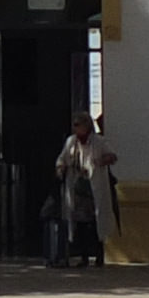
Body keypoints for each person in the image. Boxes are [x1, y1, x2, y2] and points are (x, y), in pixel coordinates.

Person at [51, 112, 117, 271]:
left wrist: (100, 161)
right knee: (79, 223)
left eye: (78, 125)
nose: (75, 128)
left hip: (94, 189)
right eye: (74, 125)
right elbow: (62, 159)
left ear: (86, 126)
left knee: (95, 223)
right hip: (77, 189)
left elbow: (112, 157)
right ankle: (84, 256)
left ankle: (99, 255)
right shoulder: (71, 142)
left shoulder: (99, 142)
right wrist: (61, 168)